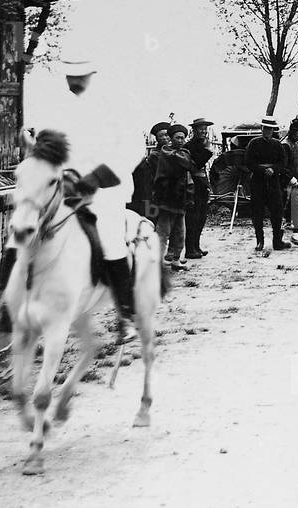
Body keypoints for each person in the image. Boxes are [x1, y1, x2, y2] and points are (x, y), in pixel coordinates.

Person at [40, 51, 142, 341]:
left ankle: (126, 315)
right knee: (29, 231)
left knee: (110, 242)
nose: (73, 81)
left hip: (105, 191)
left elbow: (132, 149)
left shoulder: (117, 106)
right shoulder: (61, 109)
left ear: (93, 75)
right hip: (66, 188)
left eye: (79, 76)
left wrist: (95, 178)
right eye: (69, 76)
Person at [244, 117, 291, 252]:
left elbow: (283, 162)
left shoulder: (277, 144)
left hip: (273, 183)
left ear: (273, 130)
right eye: (265, 128)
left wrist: (274, 169)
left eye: (270, 129)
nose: (268, 131)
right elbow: (248, 162)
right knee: (257, 212)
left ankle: (277, 241)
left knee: (277, 212)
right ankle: (260, 241)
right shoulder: (254, 143)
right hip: (258, 182)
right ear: (261, 129)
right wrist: (263, 170)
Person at [152, 124, 193, 269]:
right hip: (167, 197)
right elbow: (177, 163)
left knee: (180, 232)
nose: (181, 140)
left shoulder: (184, 153)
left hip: (180, 197)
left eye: (183, 138)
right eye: (178, 138)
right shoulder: (165, 151)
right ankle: (155, 261)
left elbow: (187, 164)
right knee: (163, 231)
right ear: (171, 138)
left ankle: (175, 259)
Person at [183, 118, 214, 259]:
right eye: (200, 129)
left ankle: (196, 246)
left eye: (205, 129)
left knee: (201, 218)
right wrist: (208, 151)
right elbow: (196, 163)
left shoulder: (203, 144)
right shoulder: (189, 146)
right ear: (194, 130)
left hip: (201, 185)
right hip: (192, 185)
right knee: (192, 218)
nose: (203, 131)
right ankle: (190, 249)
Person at [282, 118, 298, 245]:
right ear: (295, 133)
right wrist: (291, 178)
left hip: (296, 181)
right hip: (288, 182)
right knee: (295, 207)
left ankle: (294, 233)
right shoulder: (286, 145)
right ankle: (294, 234)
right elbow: (284, 166)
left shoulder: (295, 144)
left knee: (296, 207)